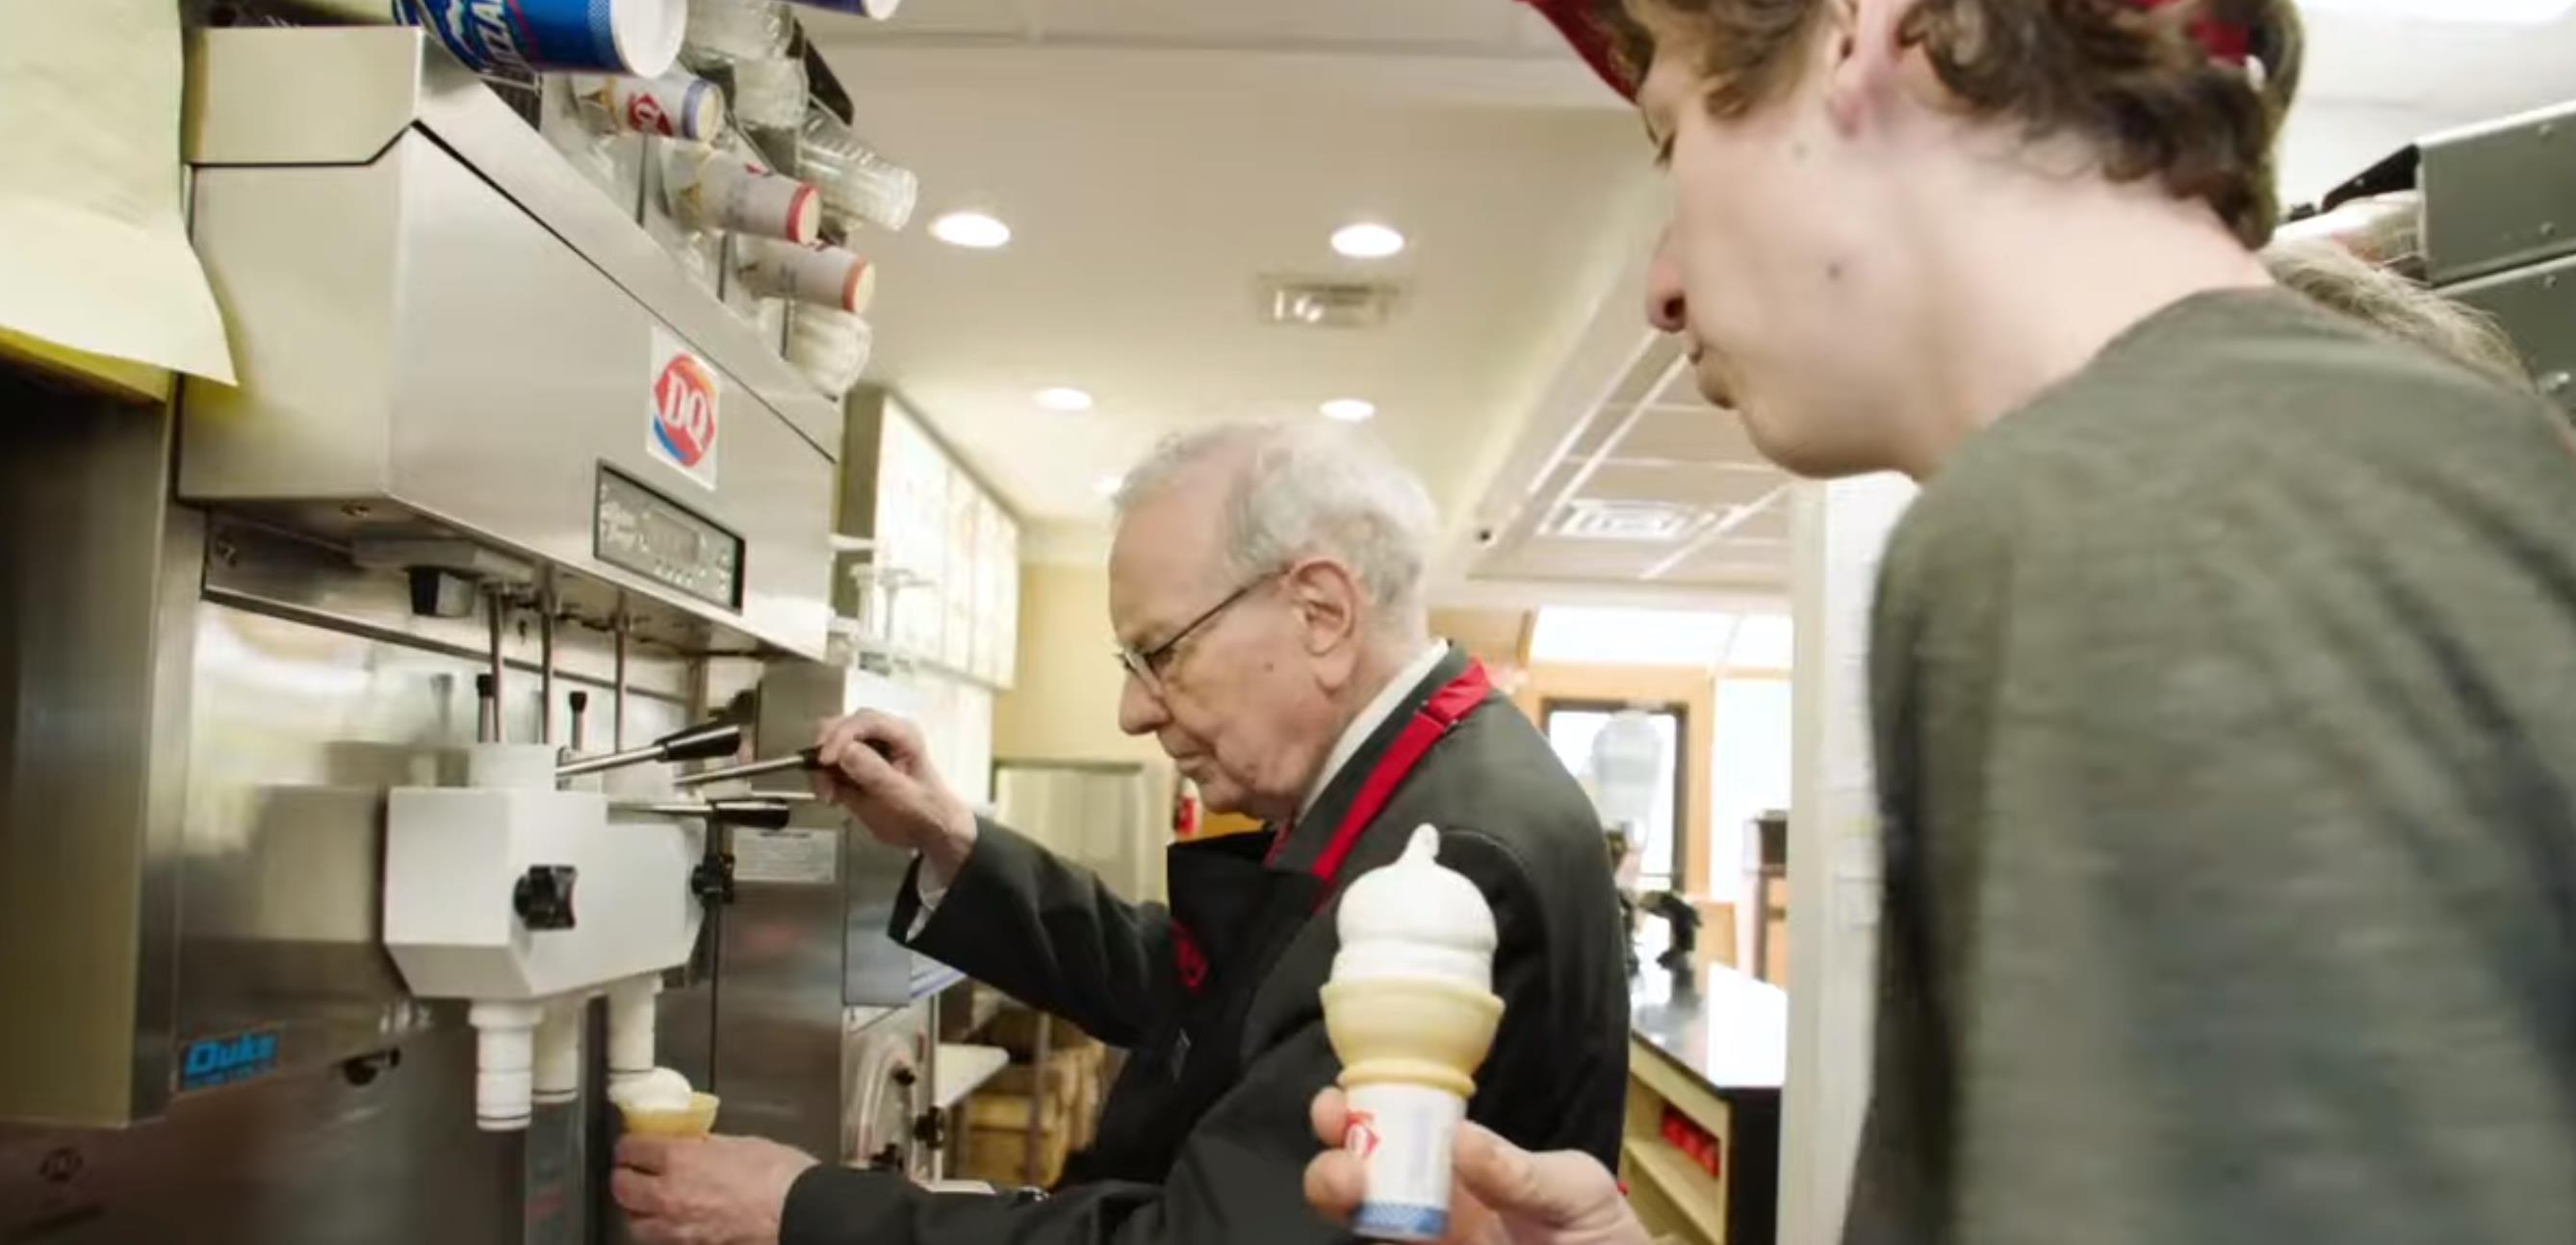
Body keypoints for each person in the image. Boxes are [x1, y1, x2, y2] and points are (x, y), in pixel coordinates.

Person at [1311, 0, 2576, 1243]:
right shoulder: (2416, 462)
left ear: (1864, 32)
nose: (1663, 285)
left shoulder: (2093, 516)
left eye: (1672, 134)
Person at [612, 421, 1632, 1245]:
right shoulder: (1419, 781)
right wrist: (954, 838)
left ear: (1320, 612)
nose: (1134, 712)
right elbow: (1208, 997)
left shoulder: (1455, 856)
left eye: (1161, 654)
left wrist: (799, 1211)